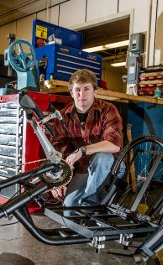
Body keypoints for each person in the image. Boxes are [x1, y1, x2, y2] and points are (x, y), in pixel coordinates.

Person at [50, 69, 124, 208]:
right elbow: (56, 152)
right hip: (83, 168)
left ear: (95, 91)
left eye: (86, 89)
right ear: (71, 93)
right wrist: (58, 181)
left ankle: (90, 204)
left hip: (110, 167)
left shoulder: (108, 109)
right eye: (77, 89)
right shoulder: (62, 117)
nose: (81, 94)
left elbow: (114, 144)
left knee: (102, 157)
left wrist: (82, 150)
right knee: (69, 208)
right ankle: (87, 205)